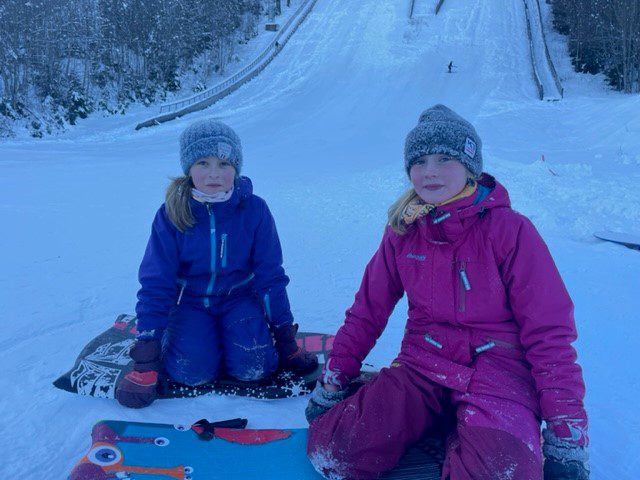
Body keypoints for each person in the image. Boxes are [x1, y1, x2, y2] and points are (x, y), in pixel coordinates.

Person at [305, 105, 589, 479]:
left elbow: (549, 333)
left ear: (470, 166)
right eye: (419, 161)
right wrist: (336, 376)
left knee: (501, 472)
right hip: (423, 366)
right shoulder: (403, 233)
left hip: (497, 375)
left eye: (444, 159)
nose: (430, 171)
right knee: (333, 450)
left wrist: (566, 435)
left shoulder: (511, 231)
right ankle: (438, 421)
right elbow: (367, 310)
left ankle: (476, 430)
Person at [116, 119, 318, 408]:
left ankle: (241, 339)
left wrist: (285, 338)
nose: (214, 174)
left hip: (239, 299)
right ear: (189, 169)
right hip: (191, 302)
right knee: (191, 372)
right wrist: (147, 354)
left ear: (236, 168)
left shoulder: (255, 210)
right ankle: (176, 340)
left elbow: (270, 276)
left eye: (224, 164)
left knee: (255, 367)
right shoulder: (172, 213)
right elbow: (156, 282)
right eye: (203, 163)